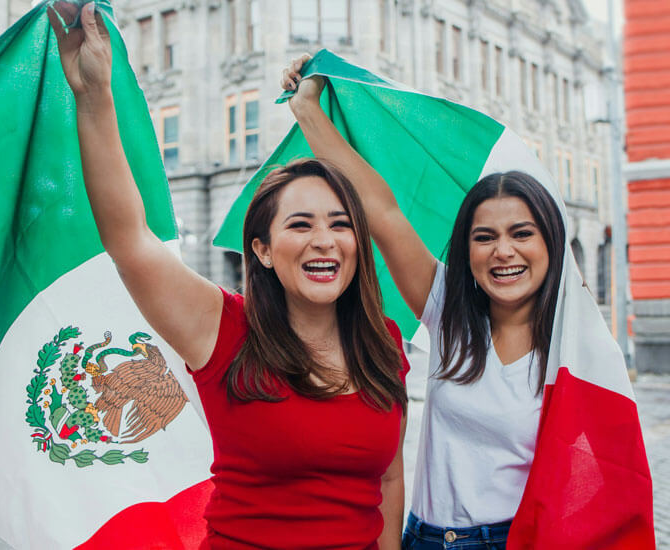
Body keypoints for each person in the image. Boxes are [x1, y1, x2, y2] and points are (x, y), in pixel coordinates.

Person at [48, 4, 409, 548]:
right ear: (262, 250)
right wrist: (93, 95)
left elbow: (389, 480)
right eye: (300, 225)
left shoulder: (385, 341)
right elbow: (131, 242)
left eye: (340, 224)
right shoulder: (223, 329)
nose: (324, 240)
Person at [282, 56, 567, 550]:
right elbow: (382, 210)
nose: (503, 251)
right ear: (466, 250)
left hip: (514, 540)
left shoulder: (572, 346)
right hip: (425, 537)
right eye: (484, 237)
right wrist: (307, 109)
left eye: (522, 234)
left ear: (551, 244)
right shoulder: (449, 310)